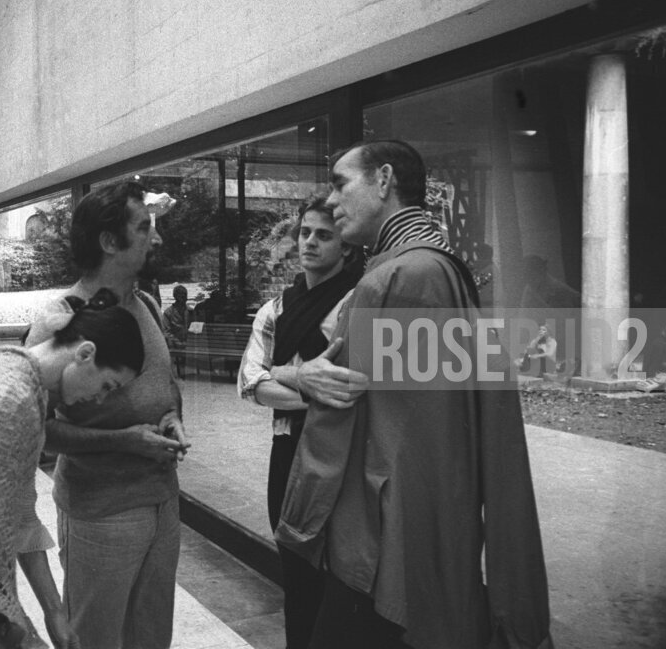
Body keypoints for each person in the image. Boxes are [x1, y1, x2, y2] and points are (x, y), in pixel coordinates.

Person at [276, 140, 552, 649]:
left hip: (379, 552)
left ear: (384, 180)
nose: (331, 201)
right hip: (410, 541)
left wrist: (303, 381)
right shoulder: (430, 268)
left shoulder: (401, 277)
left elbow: (359, 425)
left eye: (340, 184)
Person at [0, 288, 144, 649]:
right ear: (85, 353)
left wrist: (54, 612)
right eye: (106, 385)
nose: (99, 399)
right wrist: (28, 620)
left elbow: (19, 514)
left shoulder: (7, 367)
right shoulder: (12, 398)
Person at [25, 181, 188, 649]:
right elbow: (37, 432)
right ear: (109, 242)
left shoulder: (147, 306)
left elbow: (167, 384)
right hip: (100, 513)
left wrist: (172, 416)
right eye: (144, 228)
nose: (156, 238)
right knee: (94, 639)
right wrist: (124, 441)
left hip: (162, 503)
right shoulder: (59, 322)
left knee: (151, 637)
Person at [236, 197, 361, 649]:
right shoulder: (276, 308)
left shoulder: (356, 304)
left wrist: (282, 374)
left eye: (324, 235)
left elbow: (355, 386)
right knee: (296, 570)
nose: (310, 242)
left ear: (346, 247)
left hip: (342, 453)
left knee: (342, 575)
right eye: (306, 232)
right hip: (288, 450)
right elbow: (251, 383)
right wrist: (309, 386)